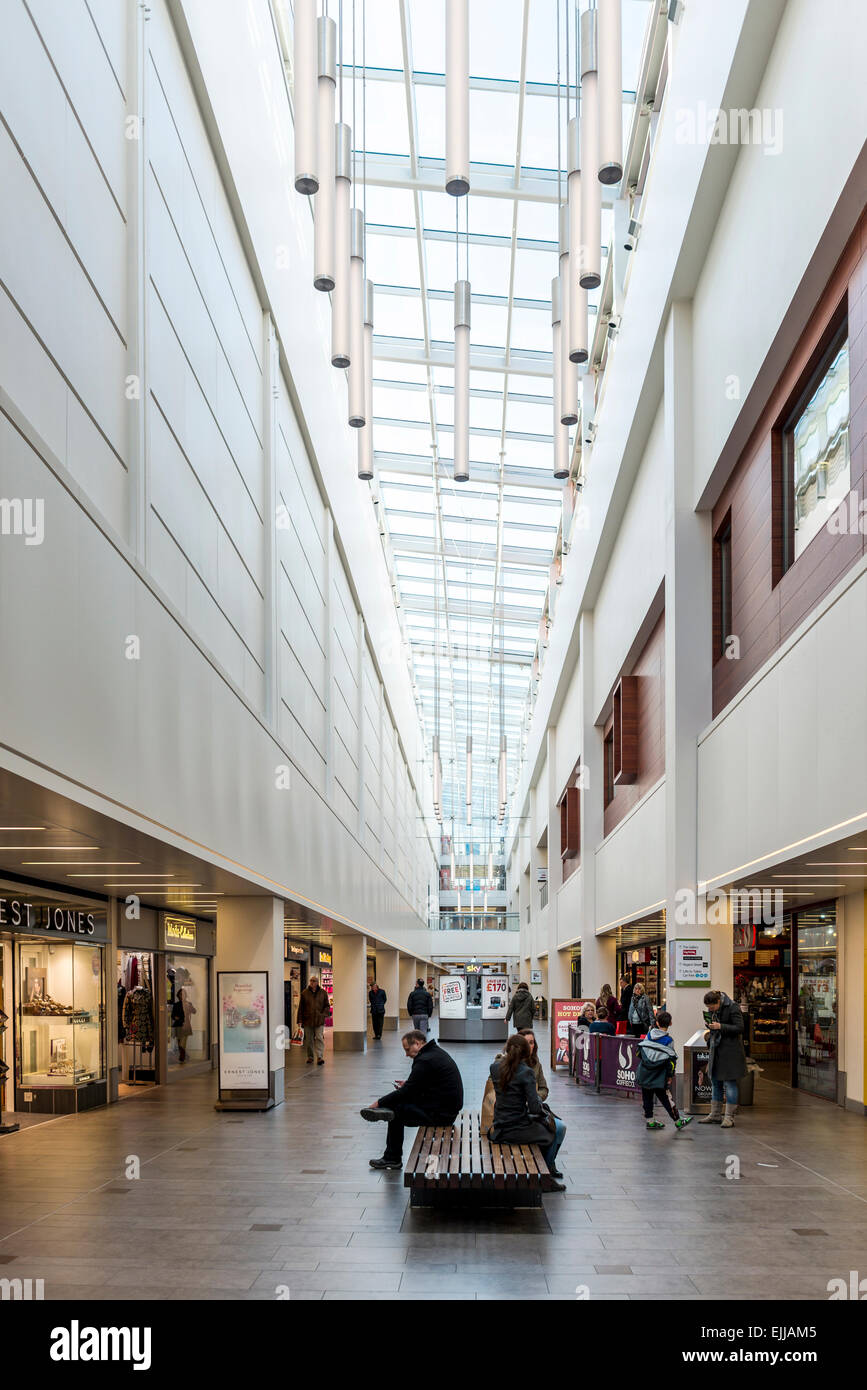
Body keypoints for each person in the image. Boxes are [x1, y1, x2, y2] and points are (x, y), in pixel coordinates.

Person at [360, 1031, 463, 1169]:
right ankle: (391, 1154)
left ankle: (392, 1158)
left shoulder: (425, 1060)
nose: (406, 1054)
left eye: (407, 1049)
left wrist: (379, 1102)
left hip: (441, 1115)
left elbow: (407, 1092)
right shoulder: (433, 1053)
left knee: (396, 1112)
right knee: (399, 1105)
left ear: (417, 1043)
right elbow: (422, 1084)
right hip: (444, 1109)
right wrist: (409, 1084)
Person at [488, 1034, 566, 1190]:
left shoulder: (495, 1067)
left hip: (500, 1126)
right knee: (551, 1133)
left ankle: (542, 1174)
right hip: (517, 1128)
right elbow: (535, 1108)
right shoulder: (526, 1072)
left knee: (547, 1130)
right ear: (526, 1051)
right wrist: (536, 1098)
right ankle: (545, 1178)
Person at [636, 1010, 693, 1131]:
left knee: (647, 1097)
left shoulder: (649, 1035)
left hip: (645, 1072)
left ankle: (650, 1121)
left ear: (656, 1023)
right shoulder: (669, 1040)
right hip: (659, 1074)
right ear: (670, 1023)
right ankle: (678, 1121)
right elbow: (670, 1061)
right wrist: (670, 1076)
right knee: (666, 1098)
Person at [698, 988, 747, 1128]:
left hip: (731, 1051)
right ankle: (715, 1114)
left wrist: (720, 1026)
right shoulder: (712, 1009)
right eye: (708, 1008)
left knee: (730, 1083)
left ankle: (729, 1117)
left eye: (712, 1007)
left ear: (718, 1001)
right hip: (717, 1049)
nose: (710, 1009)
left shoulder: (733, 1007)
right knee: (715, 1082)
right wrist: (710, 1026)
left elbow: (740, 1028)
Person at [297, 974, 331, 1065]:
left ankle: (319, 1057)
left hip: (319, 1020)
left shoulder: (323, 993)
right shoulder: (304, 993)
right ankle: (310, 1057)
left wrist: (323, 1014)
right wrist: (299, 1020)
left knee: (319, 1038)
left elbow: (327, 1006)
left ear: (317, 982)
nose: (312, 982)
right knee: (309, 1040)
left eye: (314, 981)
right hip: (308, 1020)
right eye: (311, 981)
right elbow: (301, 1007)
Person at [171, 987, 196, 1063]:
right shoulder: (176, 1004)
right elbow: (172, 1015)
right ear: (178, 996)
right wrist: (175, 1017)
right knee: (179, 1042)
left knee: (183, 1042)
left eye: (184, 994)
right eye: (181, 994)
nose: (182, 996)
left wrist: (190, 1007)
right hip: (178, 1025)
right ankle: (182, 1055)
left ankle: (182, 1056)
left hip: (186, 1024)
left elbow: (194, 1011)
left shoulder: (188, 1004)